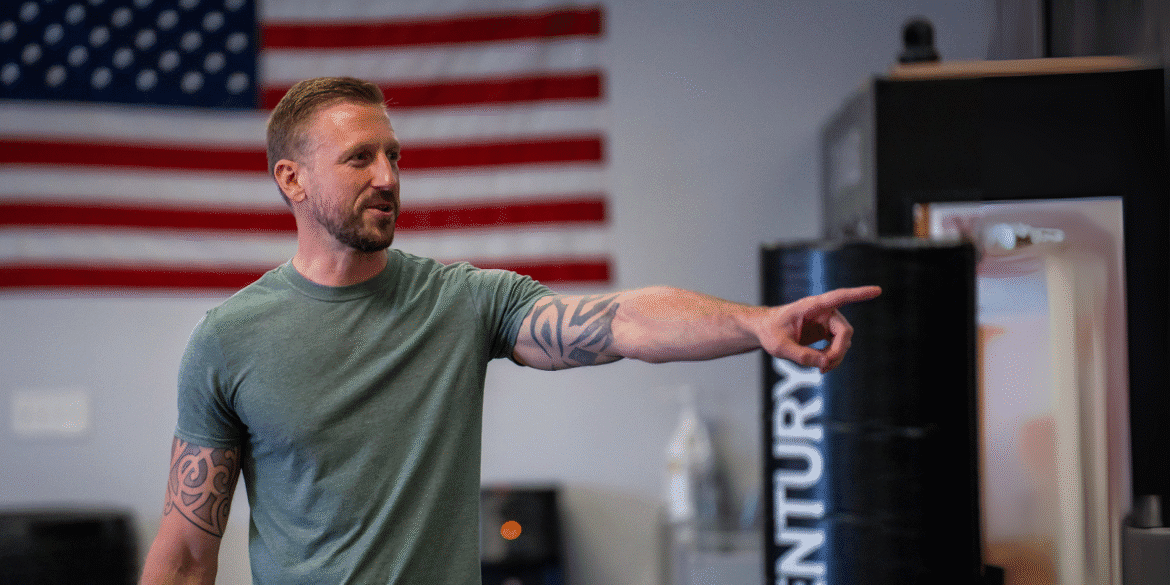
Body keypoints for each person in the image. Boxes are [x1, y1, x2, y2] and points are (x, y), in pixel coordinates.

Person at [139, 76, 881, 584]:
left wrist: (755, 322)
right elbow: (182, 553)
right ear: (291, 179)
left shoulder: (462, 300)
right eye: (359, 157)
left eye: (393, 155)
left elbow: (622, 319)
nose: (389, 177)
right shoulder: (228, 340)